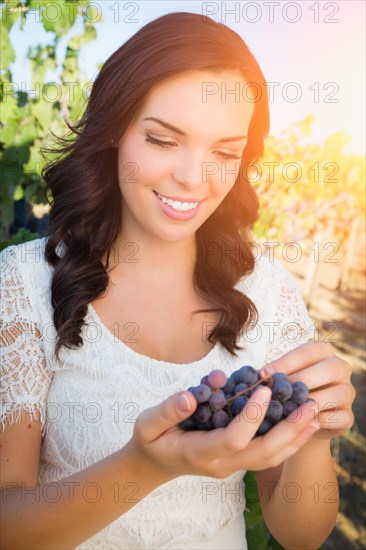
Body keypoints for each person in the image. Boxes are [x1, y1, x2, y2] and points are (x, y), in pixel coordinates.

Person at [0, 11, 355, 550]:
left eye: (224, 153)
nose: (193, 178)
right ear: (116, 128)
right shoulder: (24, 282)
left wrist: (311, 433)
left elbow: (301, 534)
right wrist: (144, 467)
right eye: (163, 140)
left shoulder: (268, 291)